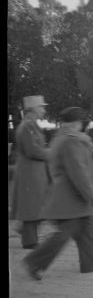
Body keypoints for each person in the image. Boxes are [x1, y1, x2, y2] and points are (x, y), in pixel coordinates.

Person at [23, 107, 93, 280]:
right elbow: (78, 171)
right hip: (70, 197)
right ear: (77, 123)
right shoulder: (70, 141)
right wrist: (91, 195)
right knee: (63, 234)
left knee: (86, 231)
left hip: (71, 196)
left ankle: (90, 263)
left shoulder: (64, 138)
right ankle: (34, 261)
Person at [10, 95, 51, 249]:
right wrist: (51, 153)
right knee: (31, 207)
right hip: (29, 173)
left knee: (37, 206)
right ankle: (29, 240)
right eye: (41, 107)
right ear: (32, 109)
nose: (44, 110)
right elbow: (33, 150)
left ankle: (25, 232)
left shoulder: (32, 126)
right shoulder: (27, 127)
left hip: (35, 172)